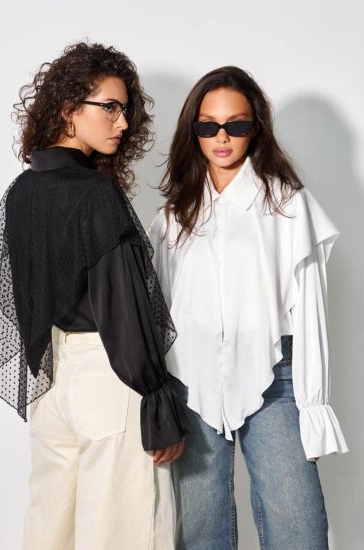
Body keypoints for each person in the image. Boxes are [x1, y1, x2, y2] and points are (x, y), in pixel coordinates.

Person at [0, 42, 188, 550]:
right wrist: (156, 399)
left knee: (51, 529)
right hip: (111, 377)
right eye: (109, 107)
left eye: (126, 109)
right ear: (69, 109)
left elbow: (24, 297)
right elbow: (124, 308)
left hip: (52, 386)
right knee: (126, 531)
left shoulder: (23, 190)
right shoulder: (96, 194)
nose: (123, 122)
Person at [147, 66, 348, 550]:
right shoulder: (174, 216)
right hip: (189, 382)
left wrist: (313, 406)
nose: (222, 137)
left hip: (274, 379)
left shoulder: (288, 206)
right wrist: (158, 402)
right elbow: (159, 314)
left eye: (235, 125)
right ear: (193, 130)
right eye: (208, 125)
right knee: (200, 532)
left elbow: (310, 310)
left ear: (255, 127)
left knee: (298, 526)